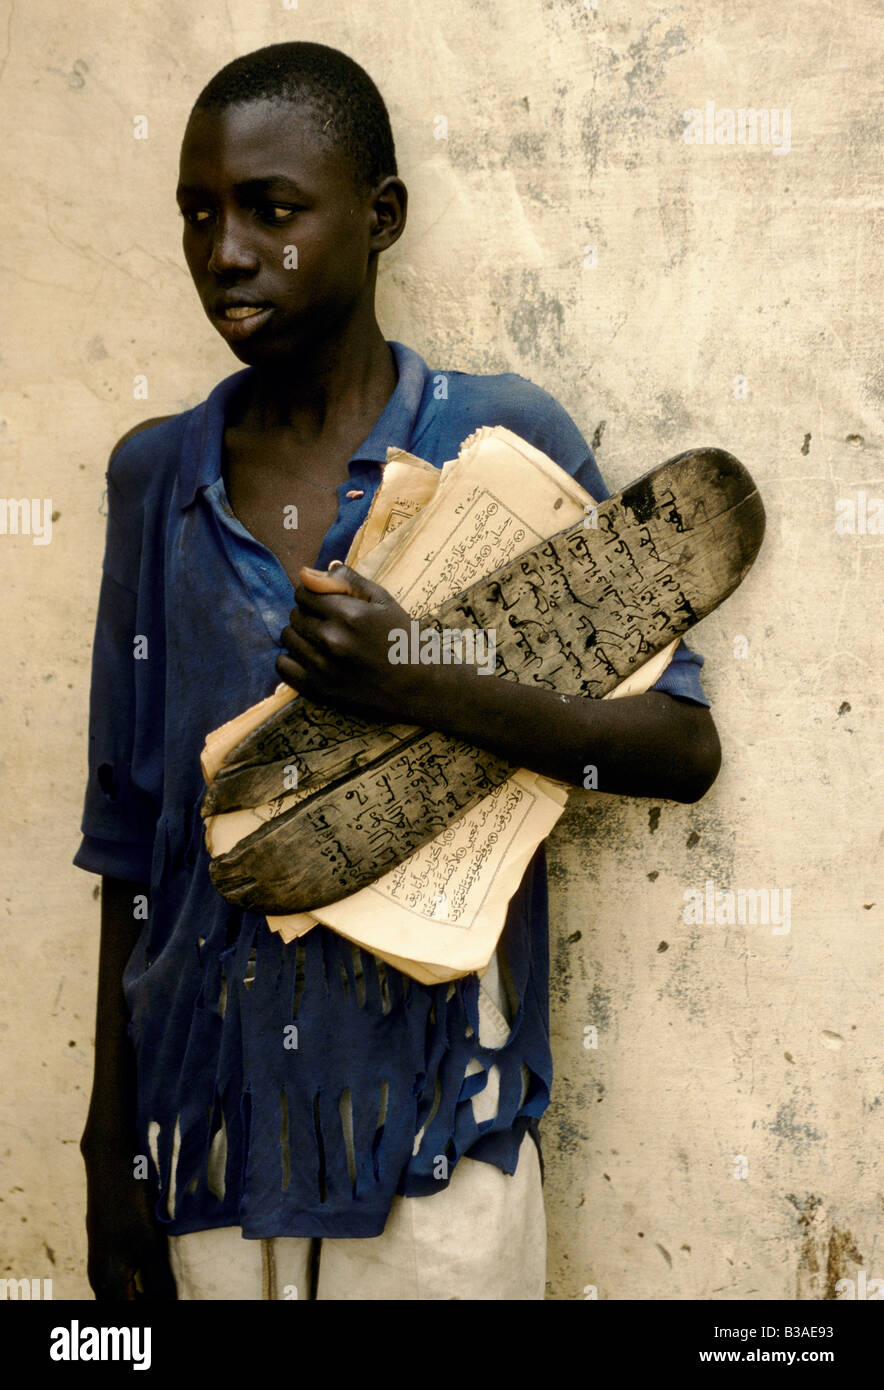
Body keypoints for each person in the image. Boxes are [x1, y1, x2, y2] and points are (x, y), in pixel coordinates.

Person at [75, 41, 720, 1301]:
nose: (225, 251)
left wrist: (416, 671)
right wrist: (113, 1153)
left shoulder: (494, 438)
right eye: (198, 212)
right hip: (211, 1123)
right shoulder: (156, 476)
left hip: (434, 1125)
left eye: (271, 209)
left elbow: (675, 747)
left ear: (378, 220)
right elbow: (128, 837)